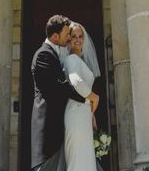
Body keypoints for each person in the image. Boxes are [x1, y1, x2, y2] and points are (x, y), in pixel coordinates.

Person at [31, 15, 99, 171]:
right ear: (55, 36)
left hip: (68, 117)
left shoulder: (58, 56)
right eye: (69, 34)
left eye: (78, 36)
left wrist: (90, 109)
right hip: (47, 123)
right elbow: (62, 86)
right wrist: (92, 98)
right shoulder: (44, 54)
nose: (71, 38)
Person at [63, 22, 102, 171]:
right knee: (78, 159)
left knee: (85, 158)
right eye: (74, 36)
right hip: (76, 113)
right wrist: (94, 98)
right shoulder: (72, 59)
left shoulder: (79, 61)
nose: (78, 40)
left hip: (83, 113)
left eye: (80, 36)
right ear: (68, 39)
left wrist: (91, 114)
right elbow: (76, 81)